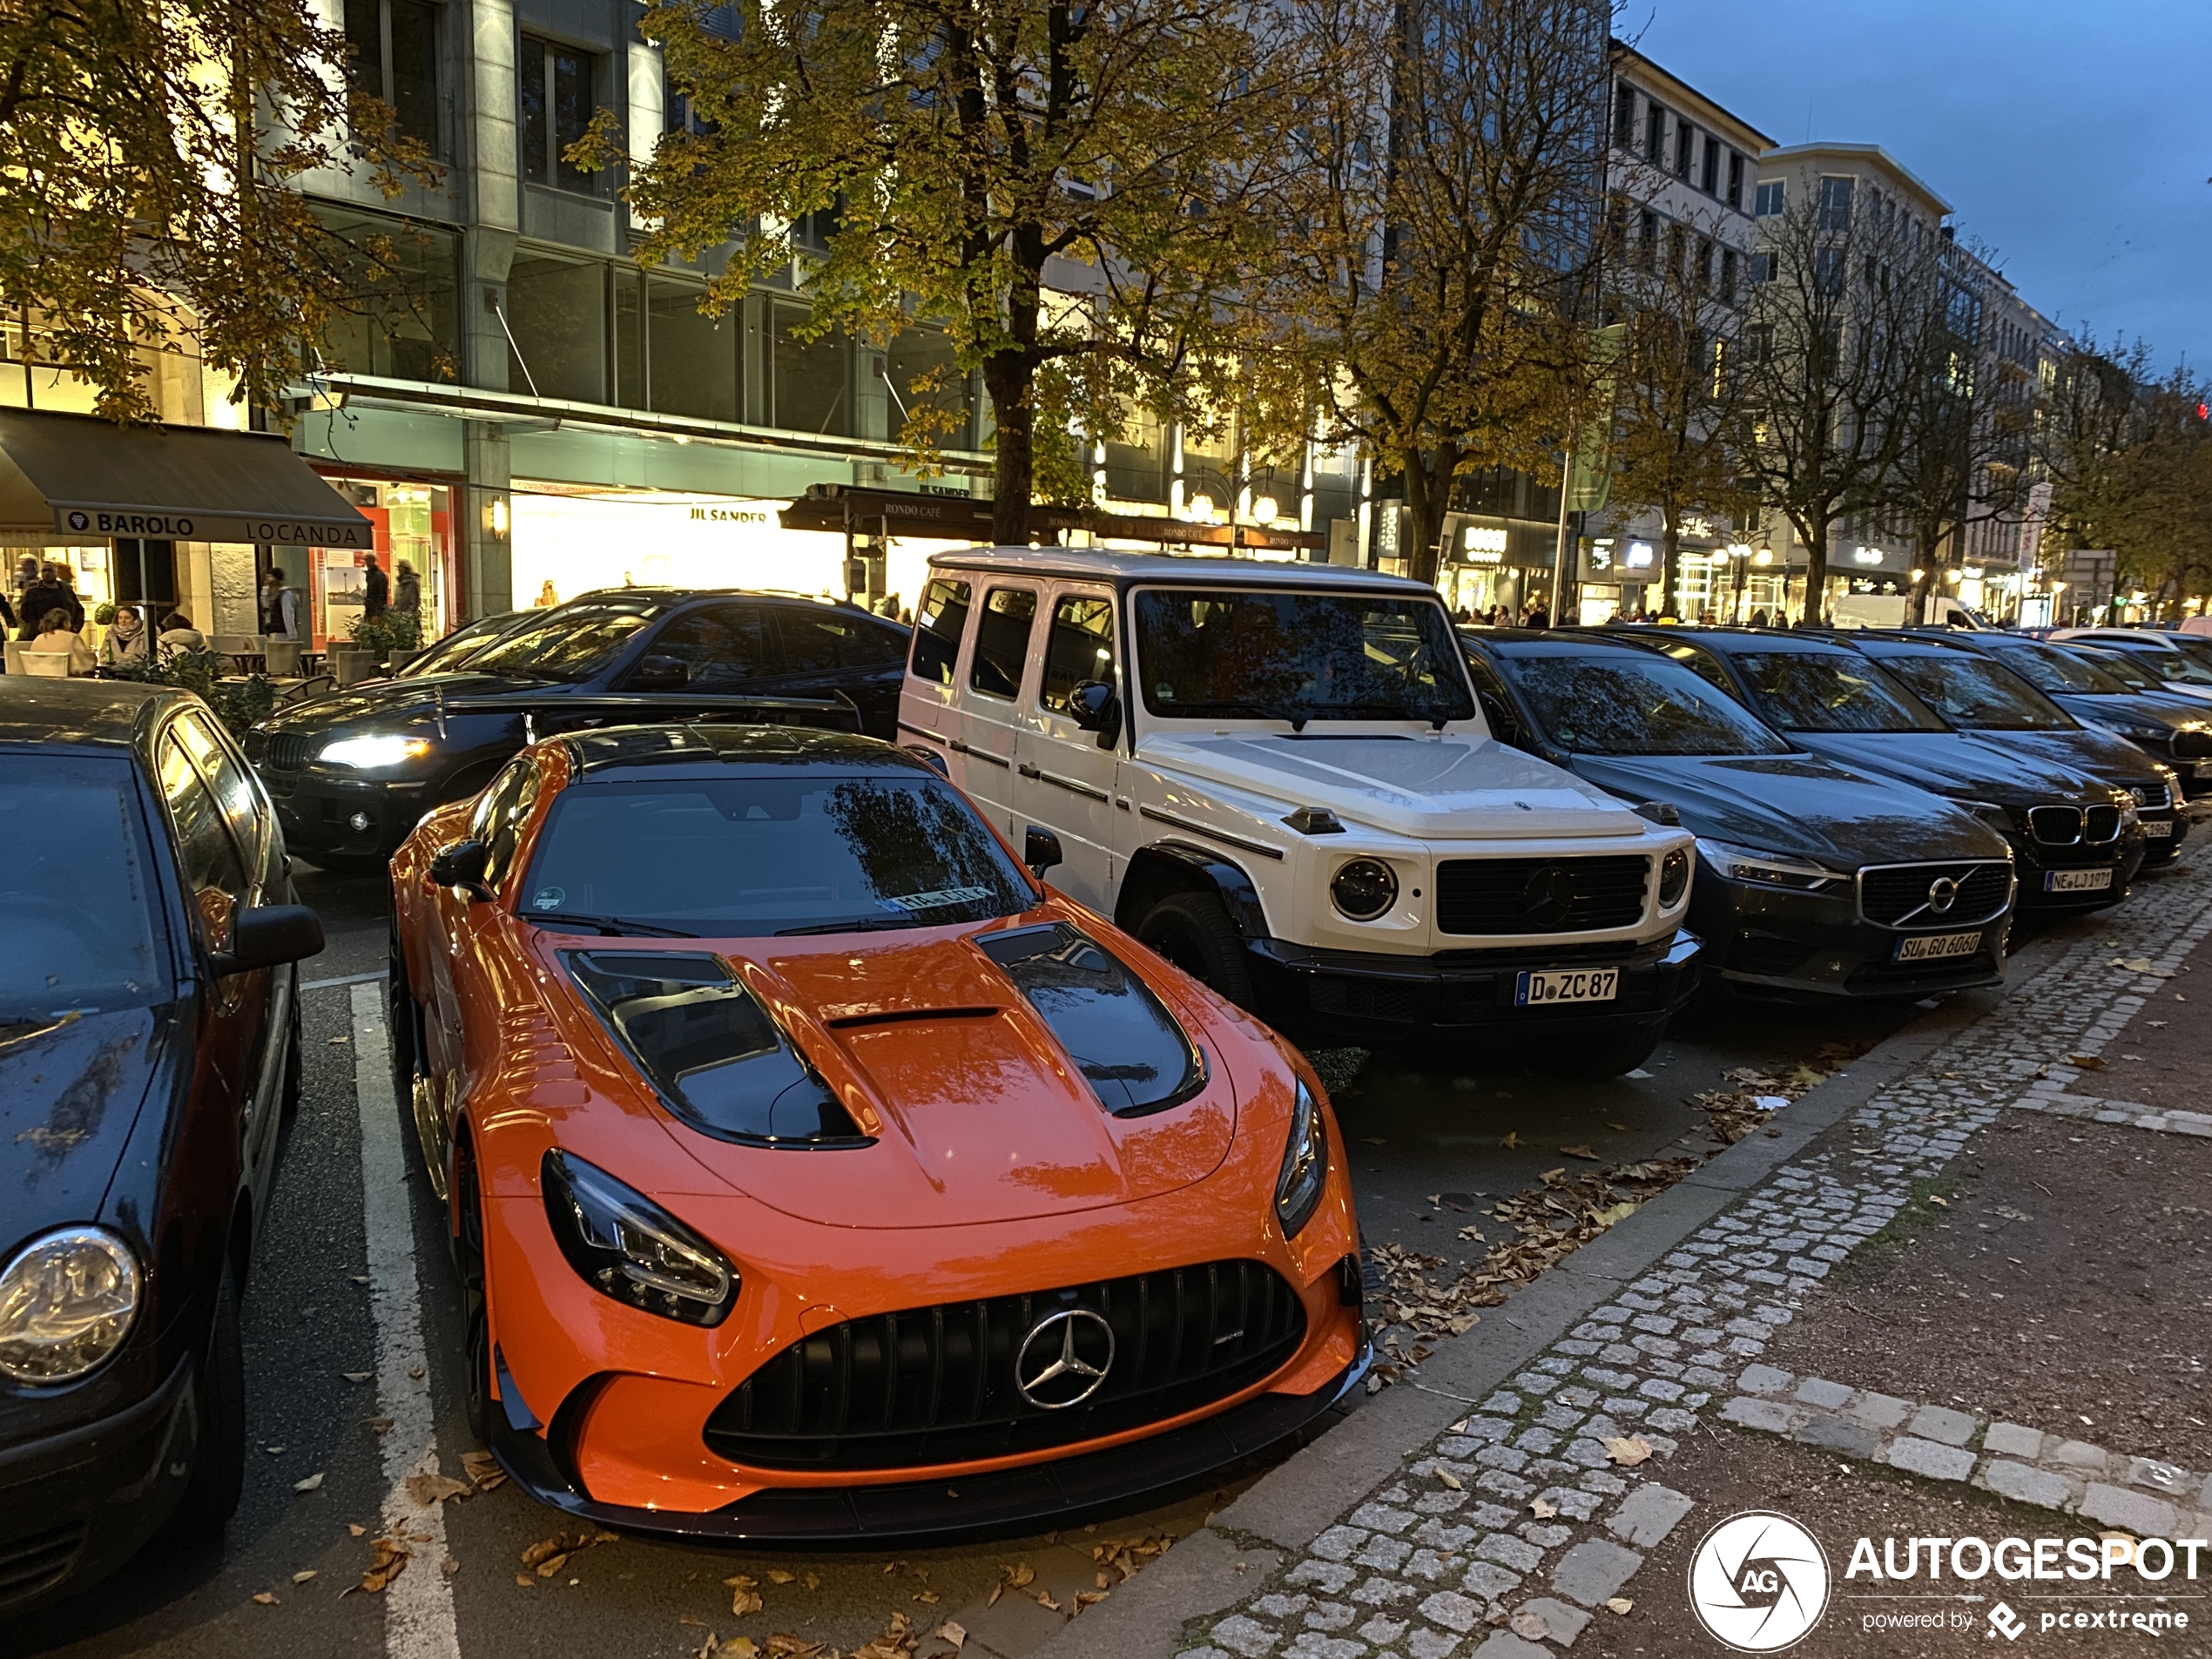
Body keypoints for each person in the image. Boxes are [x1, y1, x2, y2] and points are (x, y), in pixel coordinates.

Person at [16, 563, 78, 641]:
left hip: (64, 633)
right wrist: (37, 627)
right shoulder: (33, 592)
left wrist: (75, 628)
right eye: (44, 571)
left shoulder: (66, 591)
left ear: (56, 572)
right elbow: (25, 613)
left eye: (50, 570)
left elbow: (77, 609)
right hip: (40, 634)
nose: (47, 573)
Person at [25, 606, 95, 674]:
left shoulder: (38, 639)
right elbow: (87, 664)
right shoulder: (72, 638)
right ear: (65, 623)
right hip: (68, 683)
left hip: (39, 682)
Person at [99, 604, 151, 668]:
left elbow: (148, 657)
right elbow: (103, 656)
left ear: (135, 619)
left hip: (138, 673)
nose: (123, 621)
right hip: (113, 673)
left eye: (127, 618)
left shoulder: (144, 633)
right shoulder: (111, 633)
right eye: (120, 618)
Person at [394, 559, 421, 628]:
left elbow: (414, 602)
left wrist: (407, 615)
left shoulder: (412, 582)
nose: (399, 570)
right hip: (399, 617)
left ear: (406, 569)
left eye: (401, 567)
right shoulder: (400, 583)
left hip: (408, 618)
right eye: (398, 568)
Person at [361, 552, 388, 620]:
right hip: (371, 609)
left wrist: (377, 613)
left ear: (373, 560)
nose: (366, 562)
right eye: (365, 560)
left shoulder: (378, 575)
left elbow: (382, 595)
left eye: (368, 560)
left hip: (375, 611)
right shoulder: (371, 575)